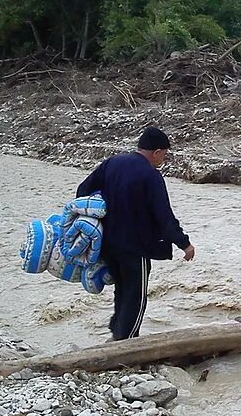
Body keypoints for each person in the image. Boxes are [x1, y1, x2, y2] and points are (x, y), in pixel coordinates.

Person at [76, 126, 195, 341]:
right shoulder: (150, 175)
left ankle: (116, 334)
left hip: (107, 243)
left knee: (122, 289)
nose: (164, 160)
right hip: (136, 246)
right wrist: (184, 244)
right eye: (165, 155)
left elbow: (82, 192)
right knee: (136, 295)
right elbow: (164, 216)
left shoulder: (112, 163)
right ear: (157, 152)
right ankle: (128, 343)